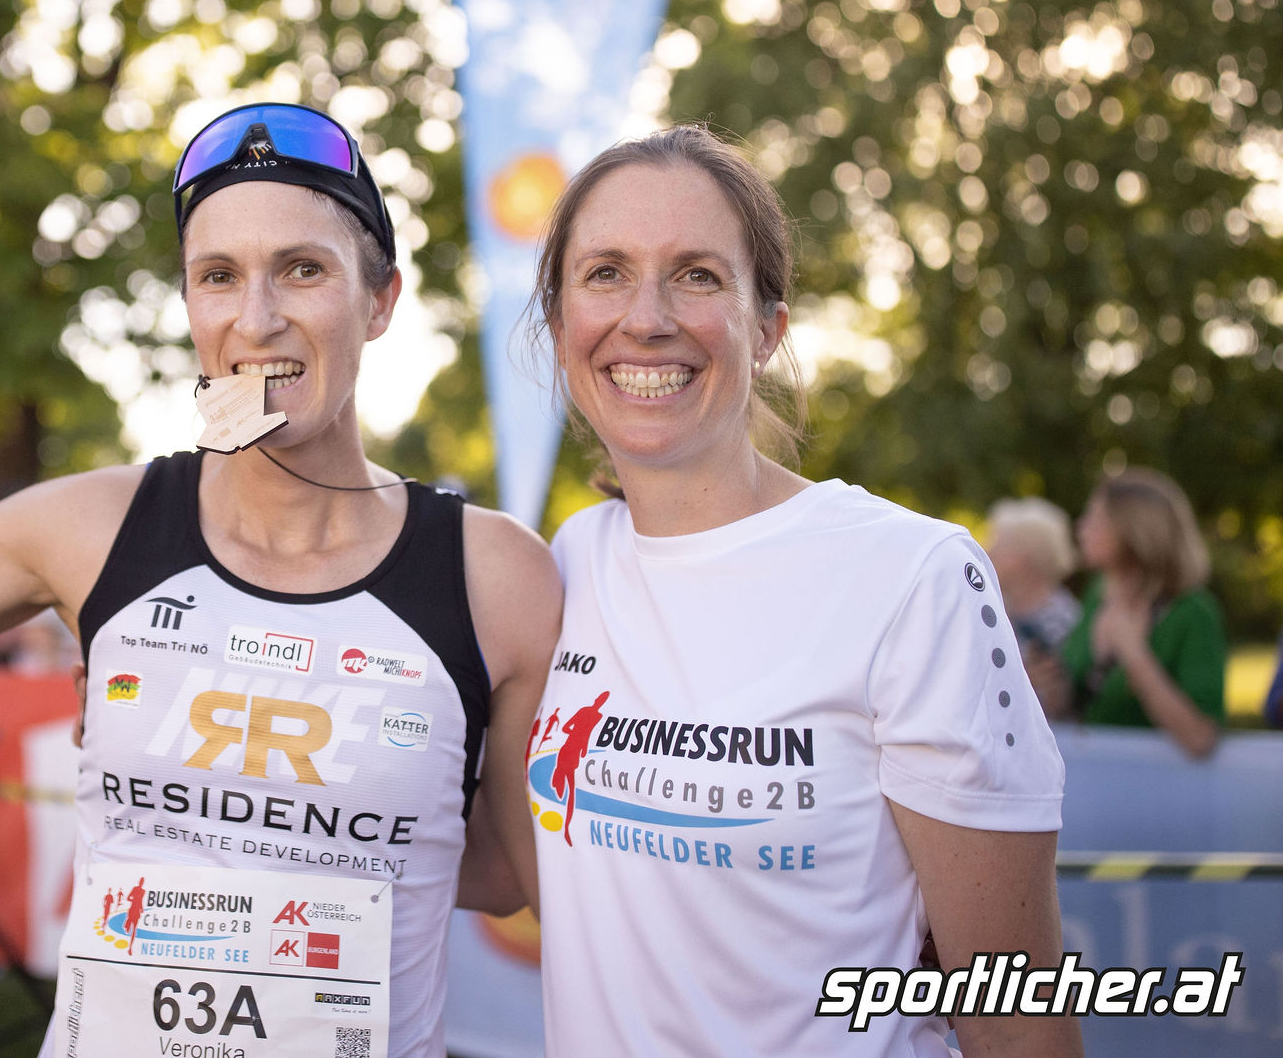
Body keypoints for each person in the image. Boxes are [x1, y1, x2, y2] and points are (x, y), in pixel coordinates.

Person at [0, 102, 561, 1058]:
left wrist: (311, 840)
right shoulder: (94, 527)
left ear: (380, 302)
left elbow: (509, 873)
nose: (257, 317)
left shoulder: (495, 574)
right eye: (219, 276)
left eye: (303, 268)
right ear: (191, 304)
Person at [516, 126, 1076, 1057]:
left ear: (769, 328)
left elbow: (1020, 1025)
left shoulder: (914, 576)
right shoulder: (568, 563)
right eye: (605, 272)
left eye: (697, 274)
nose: (646, 316)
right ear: (559, 321)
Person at [1036, 470, 1226, 759]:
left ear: (1134, 531)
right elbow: (1085, 704)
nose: (1081, 526)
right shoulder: (1098, 596)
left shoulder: (1192, 613)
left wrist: (1135, 655)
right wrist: (1048, 690)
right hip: (1096, 776)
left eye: (1096, 519)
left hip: (1158, 783)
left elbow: (1200, 738)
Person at [984, 496, 1083, 659]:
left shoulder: (1062, 620)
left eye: (998, 546)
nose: (988, 553)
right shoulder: (999, 608)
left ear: (1024, 557)